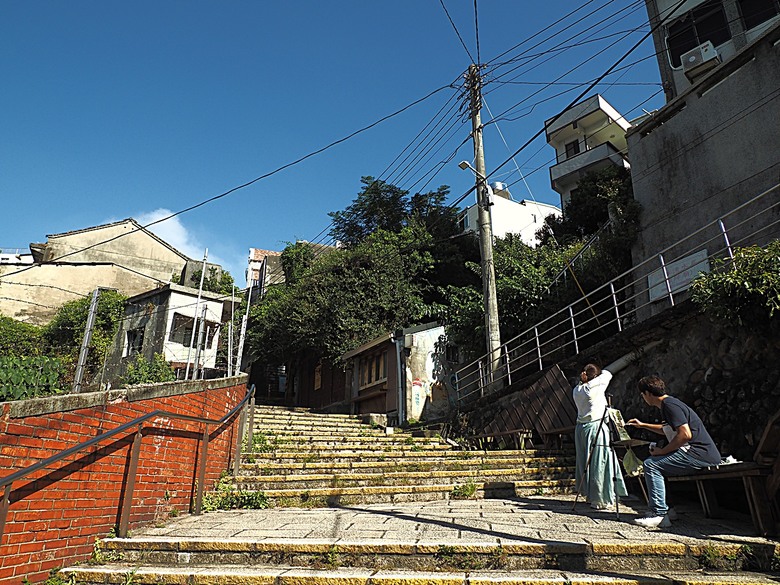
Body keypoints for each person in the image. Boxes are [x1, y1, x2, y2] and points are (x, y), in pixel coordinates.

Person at [626, 375, 721, 528]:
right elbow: (667, 430)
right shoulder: (669, 404)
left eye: (642, 395)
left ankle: (659, 514)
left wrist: (663, 451)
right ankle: (669, 510)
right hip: (699, 453)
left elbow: (685, 435)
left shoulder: (670, 406)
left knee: (652, 465)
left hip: (699, 453)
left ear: (648, 394)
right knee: (660, 465)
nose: (643, 398)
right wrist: (643, 425)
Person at [572, 363, 627, 510]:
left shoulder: (577, 390)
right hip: (596, 426)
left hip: (581, 429)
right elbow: (609, 372)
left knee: (586, 463)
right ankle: (601, 498)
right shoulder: (596, 385)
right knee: (600, 461)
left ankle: (590, 495)